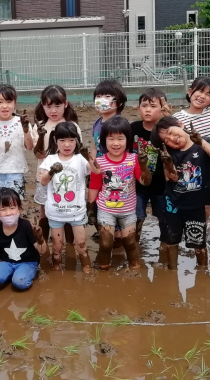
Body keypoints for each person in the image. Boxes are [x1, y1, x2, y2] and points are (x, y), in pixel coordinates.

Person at [152, 116, 210, 270]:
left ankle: (202, 270)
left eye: (171, 132)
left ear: (180, 124)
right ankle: (172, 271)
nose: (172, 139)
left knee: (198, 241)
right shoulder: (169, 153)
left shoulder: (204, 142)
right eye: (167, 140)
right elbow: (171, 178)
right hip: (173, 203)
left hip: (196, 204)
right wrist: (168, 163)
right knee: (172, 240)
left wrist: (201, 142)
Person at [88, 116, 151, 270]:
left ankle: (135, 268)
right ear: (104, 141)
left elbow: (145, 182)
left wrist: (143, 166)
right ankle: (103, 268)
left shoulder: (134, 159)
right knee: (105, 243)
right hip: (105, 209)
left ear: (128, 140)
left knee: (130, 243)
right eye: (111, 139)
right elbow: (94, 186)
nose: (116, 143)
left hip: (128, 211)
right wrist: (90, 208)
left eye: (120, 139)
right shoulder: (99, 162)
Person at [38, 122, 97, 272]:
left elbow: (96, 171)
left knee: (81, 245)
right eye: (62, 140)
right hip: (55, 213)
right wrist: (52, 171)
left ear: (77, 140)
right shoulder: (50, 159)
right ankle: (57, 267)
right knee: (57, 246)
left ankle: (86, 269)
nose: (67, 144)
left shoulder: (80, 159)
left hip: (77, 212)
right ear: (55, 141)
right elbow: (43, 181)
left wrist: (88, 157)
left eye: (71, 140)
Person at [31, 85, 82, 241]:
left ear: (65, 104)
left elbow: (77, 153)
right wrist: (40, 136)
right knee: (44, 211)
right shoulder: (40, 126)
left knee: (67, 209)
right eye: (49, 106)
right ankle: (43, 243)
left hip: (67, 177)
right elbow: (38, 153)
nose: (53, 110)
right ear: (43, 106)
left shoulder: (72, 126)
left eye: (57, 106)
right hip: (45, 176)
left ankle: (70, 245)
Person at [131, 88, 173, 243]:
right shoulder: (132, 128)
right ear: (138, 108)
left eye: (153, 106)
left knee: (164, 218)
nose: (148, 109)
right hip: (137, 183)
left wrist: (170, 119)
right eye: (144, 105)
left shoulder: (166, 131)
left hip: (161, 184)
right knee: (137, 218)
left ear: (162, 109)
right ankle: (134, 247)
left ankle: (165, 247)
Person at [0, 188, 47, 291]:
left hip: (28, 262)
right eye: (3, 209)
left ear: (19, 209)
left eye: (12, 208)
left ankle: (23, 274)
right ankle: (12, 274)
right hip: (7, 262)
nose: (8, 213)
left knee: (20, 283)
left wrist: (40, 239)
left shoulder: (26, 226)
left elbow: (42, 251)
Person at [0, 84, 33, 200]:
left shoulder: (22, 123)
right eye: (0, 102)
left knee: (15, 206)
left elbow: (29, 146)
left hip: (16, 172)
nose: (4, 106)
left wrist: (26, 130)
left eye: (9, 102)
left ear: (15, 103)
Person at [92, 79, 127, 157]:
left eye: (107, 96)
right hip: (100, 164)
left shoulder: (120, 124)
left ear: (119, 102)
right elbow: (95, 147)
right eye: (98, 96)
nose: (101, 100)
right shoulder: (96, 123)